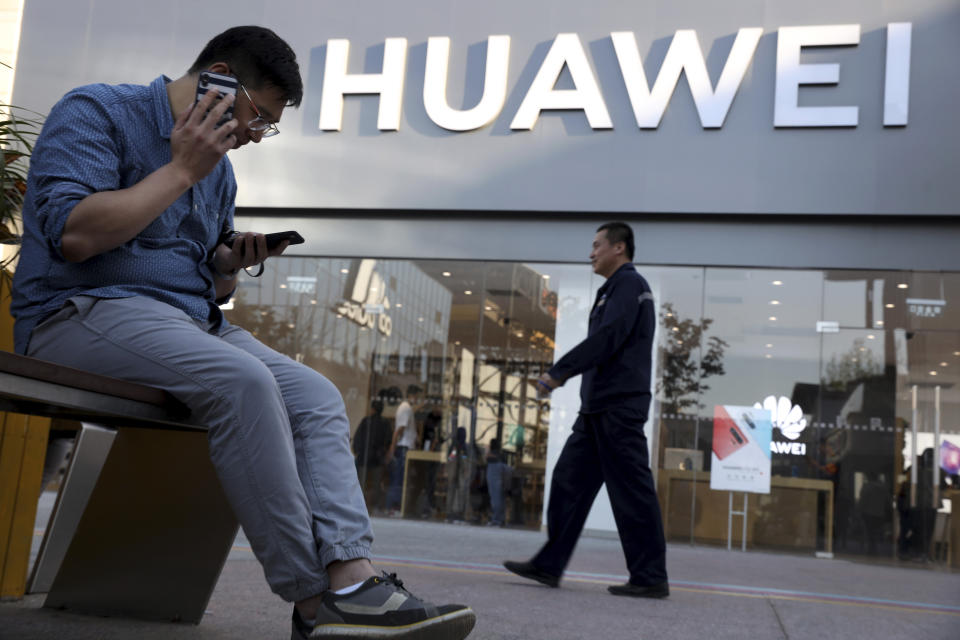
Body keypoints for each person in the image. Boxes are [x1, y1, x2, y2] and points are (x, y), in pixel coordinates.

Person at [9, 26, 474, 640]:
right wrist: (180, 169)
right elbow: (77, 235)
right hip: (79, 311)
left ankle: (354, 583)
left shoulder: (218, 171)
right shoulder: (98, 111)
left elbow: (208, 286)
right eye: (259, 114)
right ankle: (313, 604)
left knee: (316, 396)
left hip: (185, 321)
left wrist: (226, 265)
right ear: (218, 76)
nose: (256, 133)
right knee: (244, 382)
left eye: (267, 125)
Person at [504, 221, 669, 598]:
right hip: (596, 410)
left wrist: (559, 372)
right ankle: (549, 565)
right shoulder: (612, 290)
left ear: (619, 248)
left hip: (619, 409)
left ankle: (650, 576)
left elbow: (607, 339)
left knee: (631, 493)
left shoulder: (630, 285)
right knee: (566, 484)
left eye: (597, 245)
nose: (590, 253)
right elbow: (603, 341)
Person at [385, 384, 422, 514]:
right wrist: (392, 448)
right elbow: (399, 429)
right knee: (399, 478)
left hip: (405, 446)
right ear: (412, 395)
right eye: (418, 396)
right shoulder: (405, 408)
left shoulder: (407, 408)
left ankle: (394, 506)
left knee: (401, 477)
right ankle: (393, 507)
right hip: (403, 447)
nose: (418, 399)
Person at [353, 399, 393, 514]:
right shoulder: (385, 423)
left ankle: (359, 507)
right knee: (376, 484)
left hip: (364, 458)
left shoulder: (366, 421)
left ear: (372, 409)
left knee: (361, 483)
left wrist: (358, 452)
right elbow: (388, 440)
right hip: (377, 459)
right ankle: (374, 506)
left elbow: (357, 438)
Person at [485, 438, 509, 527]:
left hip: (494, 476)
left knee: (495, 499)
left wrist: (487, 450)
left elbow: (486, 457)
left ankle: (496, 520)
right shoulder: (501, 455)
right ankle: (500, 519)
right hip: (501, 477)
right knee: (500, 498)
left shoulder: (492, 456)